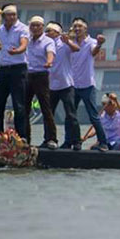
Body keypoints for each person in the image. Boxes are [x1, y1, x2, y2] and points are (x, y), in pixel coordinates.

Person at [70, 17, 108, 151]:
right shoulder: (70, 43)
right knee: (71, 115)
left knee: (93, 116)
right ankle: (73, 141)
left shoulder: (91, 42)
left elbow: (94, 51)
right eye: (75, 26)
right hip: (73, 85)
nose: (77, 29)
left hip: (87, 84)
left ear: (85, 29)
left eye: (80, 26)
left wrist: (99, 44)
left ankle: (103, 142)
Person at [0, 4, 30, 138]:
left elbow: (24, 44)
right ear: (4, 16)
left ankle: (21, 136)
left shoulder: (23, 28)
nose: (12, 17)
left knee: (19, 104)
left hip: (18, 69)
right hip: (2, 69)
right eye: (9, 14)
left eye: (14, 14)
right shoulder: (0, 29)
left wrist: (18, 51)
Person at [45, 22, 81, 150]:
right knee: (48, 114)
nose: (47, 32)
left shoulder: (63, 43)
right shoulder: (45, 44)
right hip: (51, 85)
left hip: (66, 85)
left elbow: (76, 49)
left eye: (49, 30)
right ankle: (48, 139)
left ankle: (76, 141)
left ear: (57, 32)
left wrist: (68, 42)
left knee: (71, 114)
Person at [24, 16, 57, 149]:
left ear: (42, 27)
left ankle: (51, 138)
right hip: (26, 75)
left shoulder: (48, 41)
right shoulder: (27, 40)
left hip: (41, 75)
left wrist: (49, 62)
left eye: (38, 25)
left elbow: (50, 53)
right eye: (33, 25)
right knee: (24, 109)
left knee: (46, 108)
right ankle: (25, 138)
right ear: (30, 27)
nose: (36, 28)